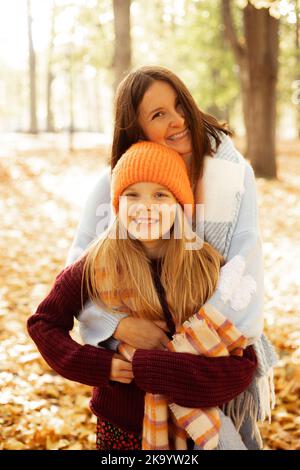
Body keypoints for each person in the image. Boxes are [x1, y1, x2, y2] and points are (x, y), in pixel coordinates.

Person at [66, 66, 277, 446]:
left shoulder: (230, 174)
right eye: (158, 114)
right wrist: (115, 325)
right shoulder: (115, 182)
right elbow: (81, 265)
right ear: (136, 128)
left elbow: (247, 266)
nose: (178, 120)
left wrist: (187, 350)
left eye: (180, 105)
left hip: (209, 359)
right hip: (138, 366)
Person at [28, 141, 258, 450]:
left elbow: (244, 363)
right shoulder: (97, 264)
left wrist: (162, 372)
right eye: (132, 194)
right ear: (117, 204)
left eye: (160, 194)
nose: (145, 206)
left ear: (179, 204)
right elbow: (42, 323)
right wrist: (98, 365)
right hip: (120, 426)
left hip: (191, 429)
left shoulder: (206, 267)